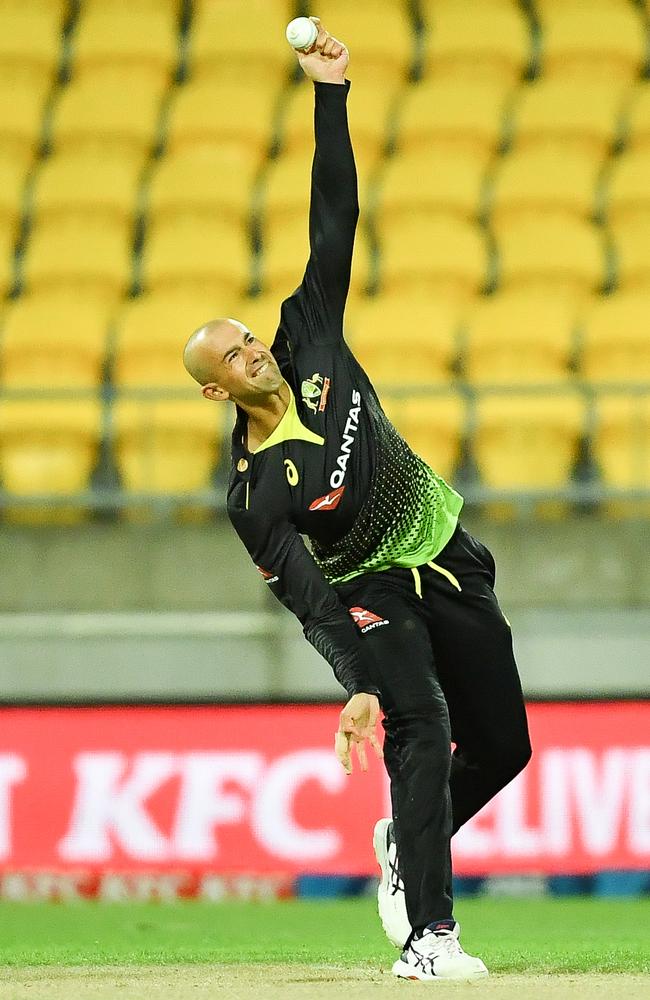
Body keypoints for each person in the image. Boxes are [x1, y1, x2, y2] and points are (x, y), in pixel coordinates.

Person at [183, 19, 531, 982]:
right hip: (372, 588)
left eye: (249, 339)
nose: (254, 353)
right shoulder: (254, 494)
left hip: (445, 548)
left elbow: (333, 217)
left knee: (504, 746)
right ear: (217, 391)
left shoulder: (310, 337)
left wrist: (329, 94)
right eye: (232, 358)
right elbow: (307, 598)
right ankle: (430, 939)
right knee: (420, 723)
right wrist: (358, 682)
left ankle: (403, 843)